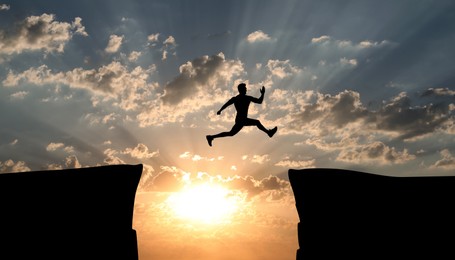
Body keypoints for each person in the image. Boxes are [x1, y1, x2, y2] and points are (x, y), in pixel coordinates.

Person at [206, 83, 277, 147]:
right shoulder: (244, 98)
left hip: (239, 120)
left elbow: (259, 101)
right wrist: (263, 94)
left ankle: (211, 137)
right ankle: (269, 132)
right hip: (241, 119)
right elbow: (227, 104)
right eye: (245, 88)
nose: (246, 89)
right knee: (257, 122)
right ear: (241, 90)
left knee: (231, 133)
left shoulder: (240, 98)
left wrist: (220, 110)